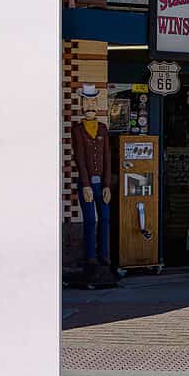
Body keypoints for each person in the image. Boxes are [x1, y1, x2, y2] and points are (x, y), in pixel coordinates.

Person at [71, 84, 112, 267]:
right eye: (86, 101)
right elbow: (79, 159)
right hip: (87, 184)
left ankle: (104, 254)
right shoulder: (78, 130)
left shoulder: (103, 128)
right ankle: (90, 256)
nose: (90, 105)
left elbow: (107, 158)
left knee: (105, 218)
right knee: (89, 220)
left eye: (92, 101)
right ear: (81, 104)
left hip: (102, 183)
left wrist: (107, 184)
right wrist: (86, 184)